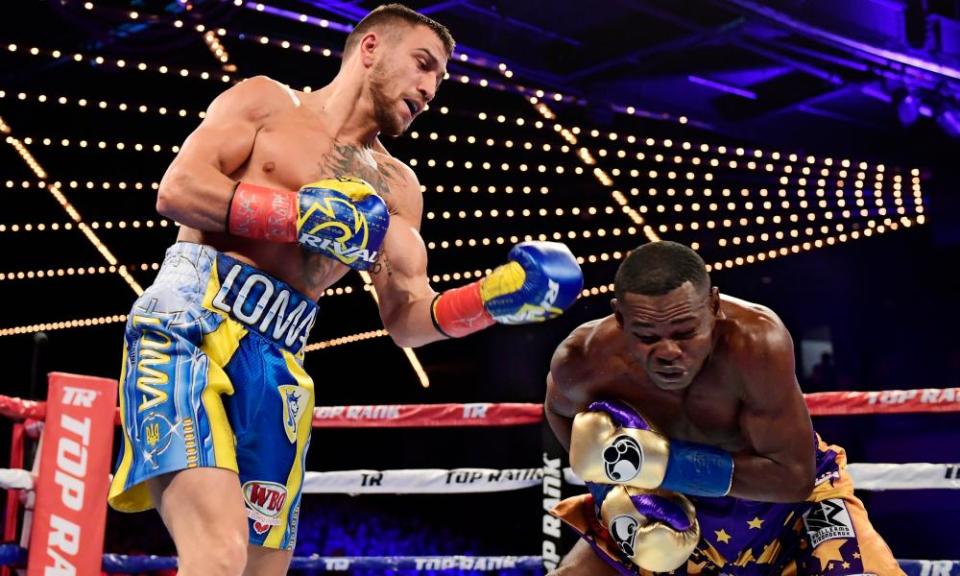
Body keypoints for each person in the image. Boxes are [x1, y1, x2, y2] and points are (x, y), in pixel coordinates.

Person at [106, 4, 583, 575]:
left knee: (260, 570)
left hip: (278, 360)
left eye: (440, 78)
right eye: (423, 64)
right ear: (371, 47)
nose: (430, 89)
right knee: (219, 555)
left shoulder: (398, 190)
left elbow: (407, 316)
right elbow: (178, 190)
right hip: (188, 323)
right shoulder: (266, 103)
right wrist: (294, 214)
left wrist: (489, 299)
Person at [544, 241, 901, 576]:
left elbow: (794, 478)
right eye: (647, 336)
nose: (668, 351)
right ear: (620, 318)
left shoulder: (755, 344)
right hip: (679, 511)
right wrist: (615, 494)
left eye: (685, 332)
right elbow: (560, 412)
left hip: (793, 508)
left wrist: (665, 465)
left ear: (713, 305)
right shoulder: (584, 361)